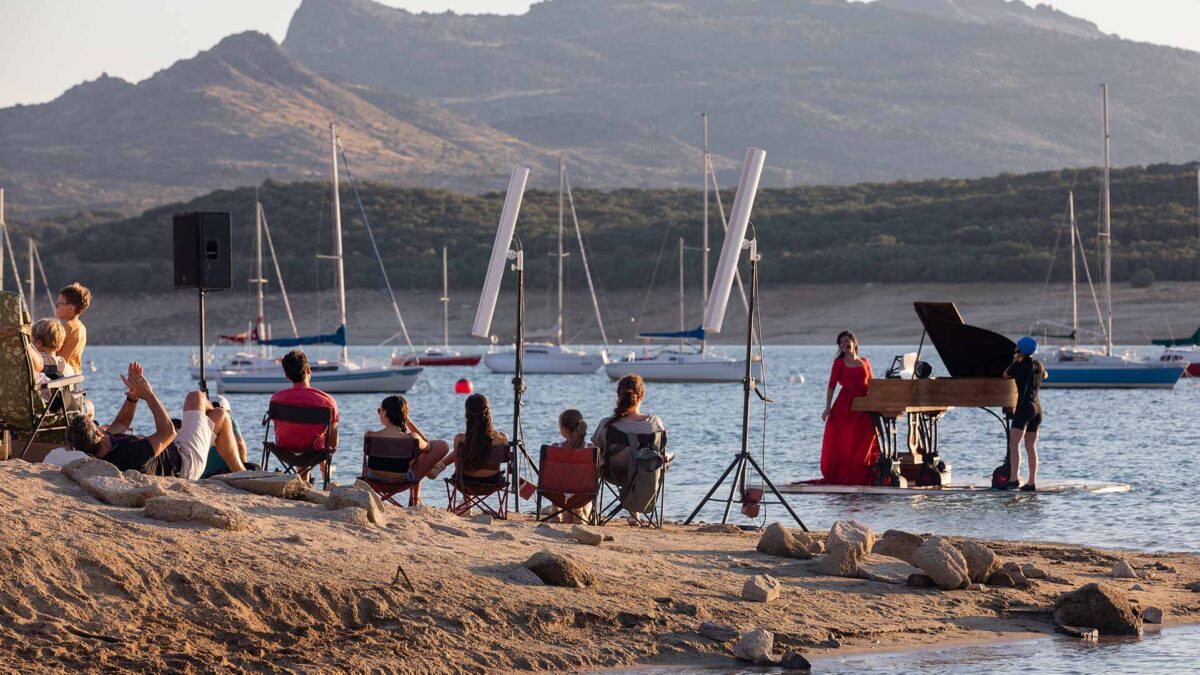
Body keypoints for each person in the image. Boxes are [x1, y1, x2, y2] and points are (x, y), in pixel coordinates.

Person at [65, 362, 246, 478]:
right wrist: (148, 395)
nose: (101, 426)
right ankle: (240, 471)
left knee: (219, 417)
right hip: (185, 463)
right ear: (97, 432)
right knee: (196, 397)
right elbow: (168, 432)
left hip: (177, 453)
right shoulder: (127, 455)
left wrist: (133, 397)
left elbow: (122, 423)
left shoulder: (102, 448)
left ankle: (240, 473)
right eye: (96, 424)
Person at [268, 350, 339, 483]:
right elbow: (332, 443)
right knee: (317, 438)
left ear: (286, 375)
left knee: (301, 436)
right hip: (314, 454)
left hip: (285, 452)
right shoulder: (327, 401)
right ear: (308, 369)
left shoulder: (276, 399)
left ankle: (306, 481)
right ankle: (325, 469)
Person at [362, 395, 450, 503]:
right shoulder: (412, 438)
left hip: (373, 480)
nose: (379, 413)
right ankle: (416, 497)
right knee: (441, 445)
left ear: (384, 412)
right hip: (401, 481)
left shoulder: (369, 436)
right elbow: (428, 446)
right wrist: (408, 421)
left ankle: (428, 474)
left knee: (412, 455)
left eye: (379, 410)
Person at [819, 330, 879, 485]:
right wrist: (828, 407)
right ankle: (848, 473)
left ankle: (865, 469)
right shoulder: (839, 362)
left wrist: (877, 402)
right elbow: (831, 385)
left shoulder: (865, 361)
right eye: (841, 343)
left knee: (869, 435)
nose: (844, 344)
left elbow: (872, 383)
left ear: (854, 342)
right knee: (847, 439)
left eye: (846, 341)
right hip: (846, 406)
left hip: (865, 404)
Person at [591, 374, 667, 484]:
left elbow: (595, 453)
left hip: (612, 473)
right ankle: (640, 500)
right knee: (661, 461)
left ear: (618, 396)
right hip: (645, 474)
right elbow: (661, 451)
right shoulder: (654, 423)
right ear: (642, 396)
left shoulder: (607, 424)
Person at [432, 393, 508, 484]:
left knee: (463, 447)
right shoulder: (502, 438)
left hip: (466, 482)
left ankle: (439, 466)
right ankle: (439, 466)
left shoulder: (459, 438)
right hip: (493, 481)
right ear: (488, 413)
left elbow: (457, 469)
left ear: (467, 414)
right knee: (472, 445)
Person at [1002, 336, 1046, 491]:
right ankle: (1031, 482)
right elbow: (1045, 375)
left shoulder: (1018, 366)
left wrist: (1015, 361)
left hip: (1024, 408)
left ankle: (1014, 479)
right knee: (1031, 447)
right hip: (1037, 409)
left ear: (1020, 351)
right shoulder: (1039, 365)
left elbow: (1006, 374)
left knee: (1014, 444)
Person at [549, 408, 595, 523]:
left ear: (564, 429)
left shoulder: (555, 448)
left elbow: (550, 475)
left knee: (558, 482)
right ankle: (578, 511)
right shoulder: (590, 449)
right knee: (586, 500)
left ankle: (555, 511)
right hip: (582, 495)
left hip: (558, 495)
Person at [200, 395, 251, 479]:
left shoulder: (199, 424)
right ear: (228, 412)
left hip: (202, 475)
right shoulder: (230, 420)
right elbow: (240, 444)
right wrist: (243, 464)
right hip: (224, 472)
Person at [55, 282, 91, 374]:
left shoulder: (65, 328)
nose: (56, 306)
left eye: (59, 303)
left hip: (62, 377)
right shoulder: (81, 327)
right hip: (75, 375)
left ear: (71, 309)